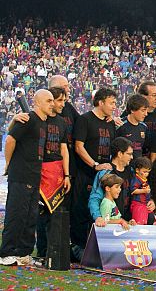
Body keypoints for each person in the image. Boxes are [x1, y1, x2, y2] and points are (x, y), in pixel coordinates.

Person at [0, 89, 55, 266]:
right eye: (48, 101)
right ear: (37, 102)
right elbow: (10, 140)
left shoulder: (43, 123)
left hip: (34, 175)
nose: (52, 104)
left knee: (30, 217)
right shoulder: (28, 119)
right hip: (21, 174)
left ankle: (24, 253)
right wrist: (9, 163)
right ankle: (7, 253)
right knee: (16, 215)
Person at [73, 87, 118, 250]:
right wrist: (94, 165)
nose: (114, 106)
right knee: (81, 210)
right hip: (86, 174)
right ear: (100, 102)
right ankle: (78, 247)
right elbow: (79, 147)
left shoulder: (110, 122)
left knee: (101, 210)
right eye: (111, 103)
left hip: (104, 176)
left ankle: (97, 248)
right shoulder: (85, 120)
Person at [34, 85, 71, 260]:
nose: (63, 104)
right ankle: (41, 251)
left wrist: (67, 175)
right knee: (40, 213)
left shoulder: (63, 123)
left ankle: (52, 251)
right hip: (39, 170)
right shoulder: (40, 119)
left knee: (53, 214)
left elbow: (64, 150)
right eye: (59, 100)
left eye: (64, 100)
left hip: (56, 172)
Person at [118, 94, 149, 159]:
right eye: (143, 110)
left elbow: (144, 148)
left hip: (138, 166)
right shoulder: (120, 125)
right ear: (132, 110)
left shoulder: (144, 127)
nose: (146, 114)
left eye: (146, 110)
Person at [129, 157, 153, 225]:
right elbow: (133, 190)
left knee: (149, 220)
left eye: (148, 172)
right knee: (139, 223)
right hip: (138, 204)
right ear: (137, 170)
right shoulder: (136, 179)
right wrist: (144, 191)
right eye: (144, 172)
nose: (146, 174)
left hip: (145, 204)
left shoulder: (144, 179)